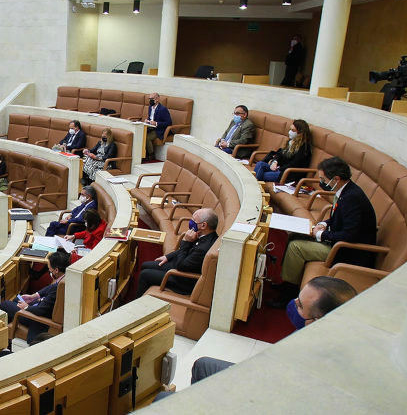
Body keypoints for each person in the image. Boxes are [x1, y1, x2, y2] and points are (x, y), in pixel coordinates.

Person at [154, 276, 356, 401]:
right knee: (203, 365)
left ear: (317, 321)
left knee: (162, 398)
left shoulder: (316, 364)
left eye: (300, 305)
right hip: (265, 380)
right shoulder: (322, 332)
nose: (293, 304)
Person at [273, 157, 377, 305]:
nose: (321, 182)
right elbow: (338, 220)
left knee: (296, 247)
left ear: (336, 179)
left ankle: (289, 292)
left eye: (323, 179)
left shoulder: (352, 198)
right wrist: (324, 224)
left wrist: (321, 235)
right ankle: (288, 281)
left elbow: (349, 235)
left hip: (348, 251)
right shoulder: (346, 191)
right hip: (338, 242)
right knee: (295, 236)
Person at [137, 208, 219, 296]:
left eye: (194, 220)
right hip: (185, 265)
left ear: (203, 225)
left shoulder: (203, 248)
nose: (191, 222)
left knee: (145, 275)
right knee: (145, 265)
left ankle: (137, 302)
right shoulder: (205, 234)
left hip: (184, 279)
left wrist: (185, 241)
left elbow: (181, 266)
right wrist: (168, 257)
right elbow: (187, 251)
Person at [0, 249, 71, 342]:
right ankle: (11, 329)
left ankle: (6, 337)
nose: (49, 270)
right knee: (17, 299)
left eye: (49, 268)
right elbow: (50, 288)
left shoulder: (57, 288)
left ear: (56, 270)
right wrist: (34, 296)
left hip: (37, 318)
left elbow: (41, 310)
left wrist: (26, 307)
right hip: (39, 306)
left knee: (5, 304)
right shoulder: (66, 278)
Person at [144, 92, 173, 159]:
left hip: (159, 130)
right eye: (149, 99)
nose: (150, 100)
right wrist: (147, 121)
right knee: (141, 135)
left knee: (147, 138)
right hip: (150, 127)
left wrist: (156, 123)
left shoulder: (163, 109)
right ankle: (144, 153)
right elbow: (150, 118)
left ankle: (151, 154)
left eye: (151, 99)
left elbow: (169, 123)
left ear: (157, 99)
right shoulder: (150, 107)